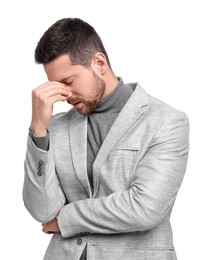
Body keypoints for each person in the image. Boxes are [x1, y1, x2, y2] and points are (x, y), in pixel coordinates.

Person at [23, 17, 189, 260]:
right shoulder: (55, 127)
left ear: (99, 62)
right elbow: (43, 211)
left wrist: (66, 219)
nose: (65, 95)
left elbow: (145, 208)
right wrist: (38, 130)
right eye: (57, 86)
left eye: (68, 82)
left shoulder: (166, 121)